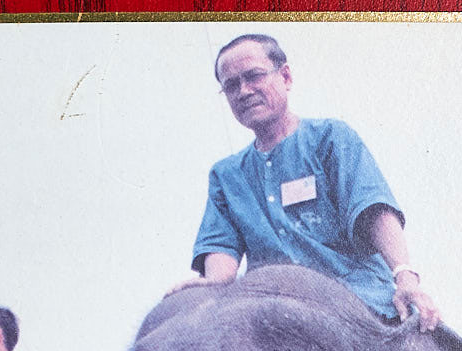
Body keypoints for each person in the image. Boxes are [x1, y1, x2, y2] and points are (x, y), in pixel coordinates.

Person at [173, 33, 440, 331]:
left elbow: (372, 209)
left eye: (254, 76)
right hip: (276, 316)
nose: (244, 91)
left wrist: (405, 277)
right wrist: (206, 287)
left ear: (285, 76)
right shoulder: (226, 175)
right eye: (231, 85)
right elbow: (221, 254)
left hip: (359, 304)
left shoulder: (331, 138)